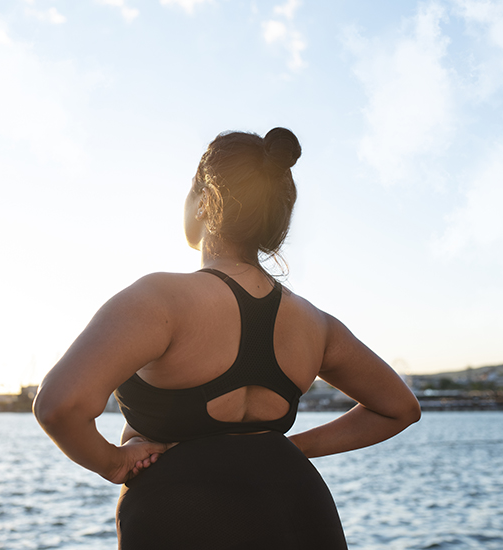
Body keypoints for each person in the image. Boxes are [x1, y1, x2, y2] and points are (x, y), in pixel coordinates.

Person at [34, 127, 421, 549]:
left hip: (182, 521)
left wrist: (113, 462)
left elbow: (59, 405)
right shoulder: (316, 323)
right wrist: (287, 449)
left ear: (202, 200)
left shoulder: (160, 299)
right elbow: (399, 408)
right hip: (299, 514)